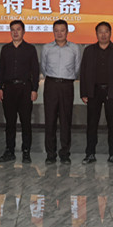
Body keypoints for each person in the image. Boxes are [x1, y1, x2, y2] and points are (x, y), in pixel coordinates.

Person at [80, 21, 113, 165]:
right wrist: (84, 92)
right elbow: (83, 72)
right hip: (93, 92)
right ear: (96, 34)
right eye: (100, 32)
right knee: (91, 124)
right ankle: (90, 154)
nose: (103, 34)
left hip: (112, 92)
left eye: (106, 31)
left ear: (110, 33)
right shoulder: (89, 50)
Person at [0, 20, 40, 164]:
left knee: (26, 121)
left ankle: (26, 151)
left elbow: (35, 70)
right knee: (10, 122)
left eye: (18, 29)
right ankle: (9, 150)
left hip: (25, 89)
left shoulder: (30, 49)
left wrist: (34, 89)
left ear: (24, 31)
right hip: (8, 89)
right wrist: (0, 88)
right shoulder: (5, 49)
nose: (15, 32)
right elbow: (1, 69)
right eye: (13, 30)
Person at [40, 19, 80, 165]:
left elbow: (77, 68)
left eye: (62, 30)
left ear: (67, 31)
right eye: (56, 30)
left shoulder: (75, 48)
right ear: (53, 32)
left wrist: (66, 79)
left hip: (67, 85)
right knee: (50, 120)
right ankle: (50, 154)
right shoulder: (46, 48)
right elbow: (43, 68)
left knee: (65, 120)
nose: (59, 33)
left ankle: (64, 154)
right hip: (51, 85)